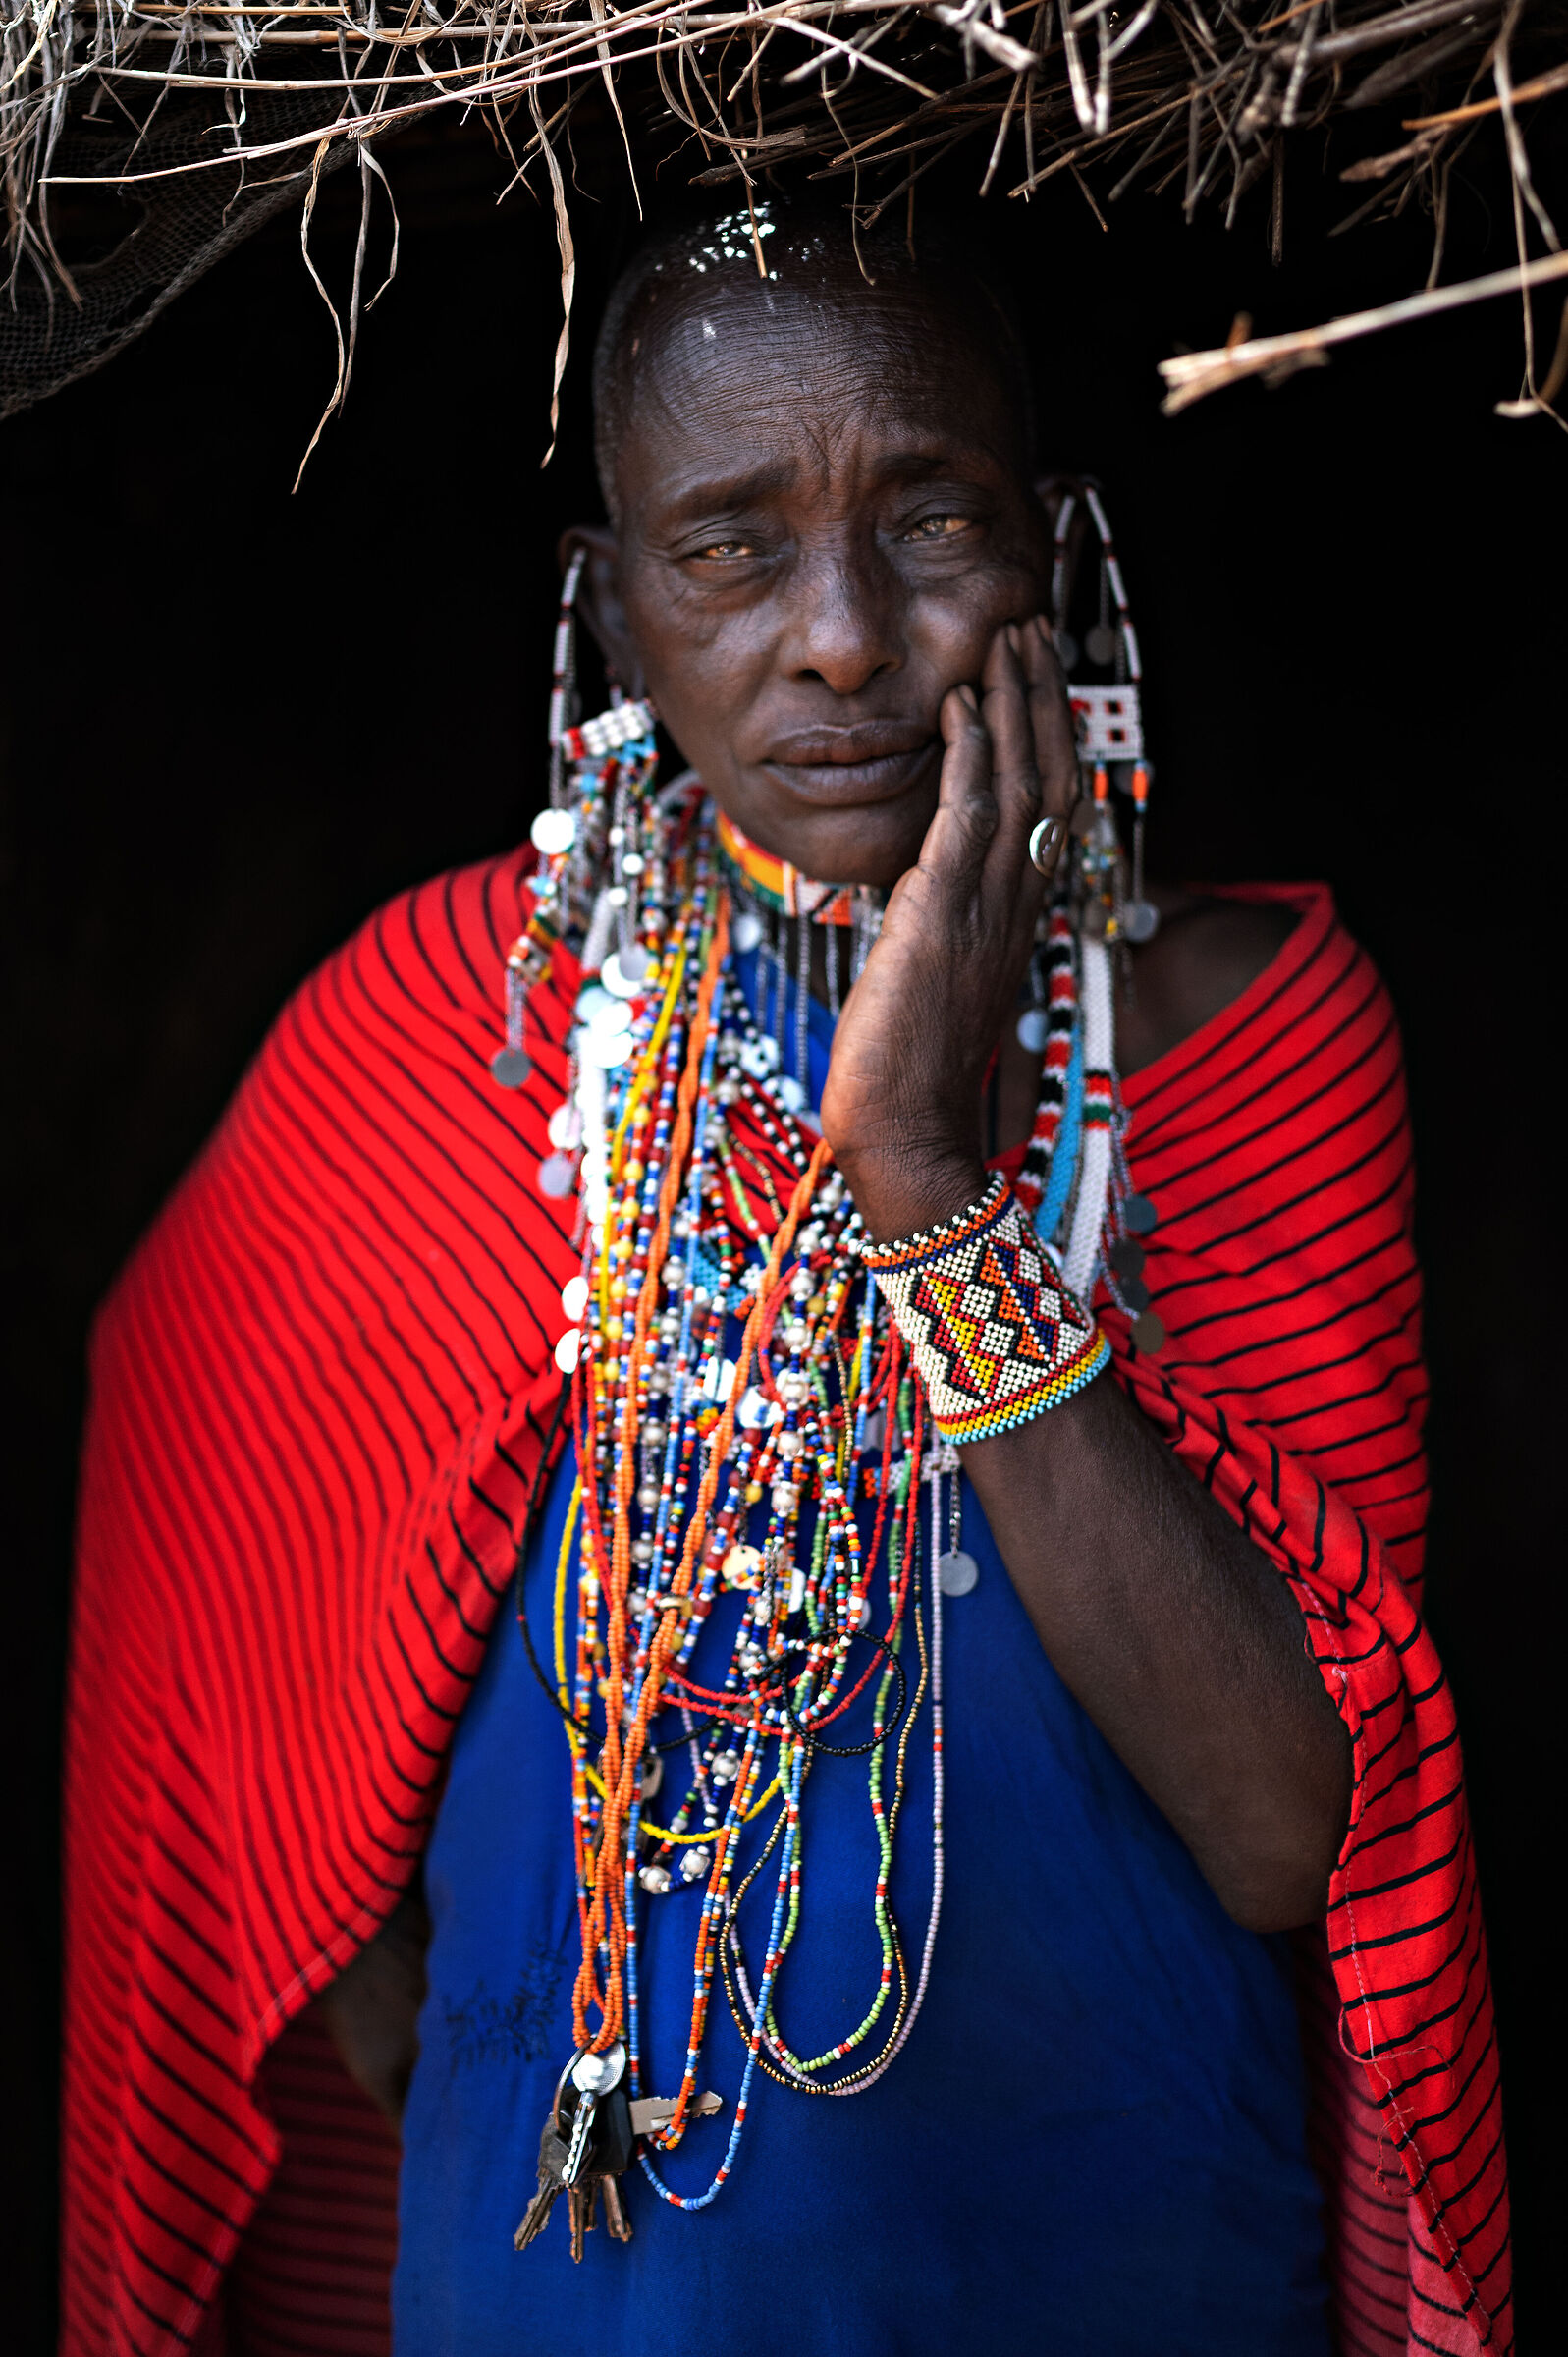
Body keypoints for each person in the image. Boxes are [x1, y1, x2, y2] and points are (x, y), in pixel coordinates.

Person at [63, 204, 1511, 2357]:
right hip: (564, 2290)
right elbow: (201, 1597)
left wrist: (924, 1180)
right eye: (728, 549)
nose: (839, 640)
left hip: (1120, 2271)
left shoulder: (1239, 1035)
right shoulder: (460, 1023)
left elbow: (1293, 1831)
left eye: (929, 516)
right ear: (610, 607)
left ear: (1059, 549)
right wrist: (422, 2010)